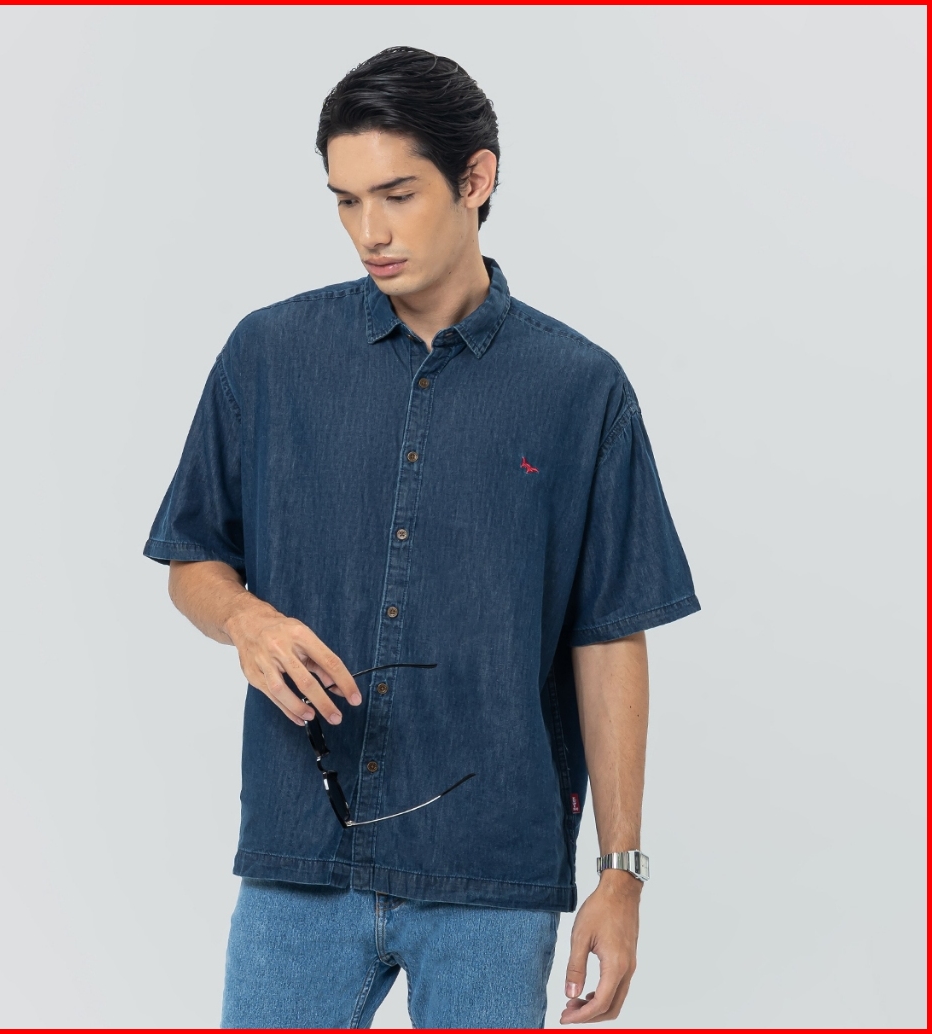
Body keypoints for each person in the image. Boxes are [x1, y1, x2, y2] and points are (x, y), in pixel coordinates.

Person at [143, 45, 700, 1029]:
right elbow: (192, 556)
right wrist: (244, 619)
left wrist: (620, 874)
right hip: (299, 858)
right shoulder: (269, 354)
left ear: (475, 178)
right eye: (345, 200)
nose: (370, 231)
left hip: (492, 871)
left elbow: (609, 631)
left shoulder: (579, 389)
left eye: (396, 195)